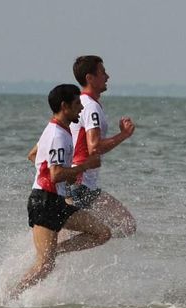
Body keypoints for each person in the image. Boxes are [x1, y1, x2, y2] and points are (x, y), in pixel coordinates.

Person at [12, 84, 111, 298]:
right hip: (44, 202)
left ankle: (54, 250)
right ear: (64, 106)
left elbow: (34, 156)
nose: (81, 109)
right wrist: (82, 167)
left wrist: (62, 175)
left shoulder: (57, 129)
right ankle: (8, 297)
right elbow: (55, 174)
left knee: (102, 233)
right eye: (77, 105)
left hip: (54, 200)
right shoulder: (58, 135)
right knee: (44, 266)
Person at [69, 55, 136, 237]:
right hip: (81, 185)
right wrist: (123, 135)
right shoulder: (90, 106)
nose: (107, 77)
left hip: (75, 182)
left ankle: (58, 259)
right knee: (127, 224)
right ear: (90, 78)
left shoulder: (83, 103)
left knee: (71, 233)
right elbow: (95, 147)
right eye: (103, 72)